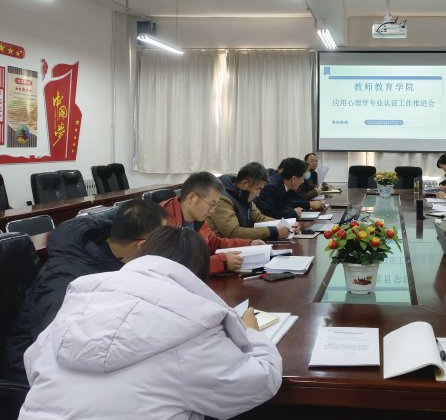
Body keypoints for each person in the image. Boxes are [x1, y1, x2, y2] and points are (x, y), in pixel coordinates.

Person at [19, 226, 282, 419]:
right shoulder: (191, 326)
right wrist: (250, 333)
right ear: (198, 275)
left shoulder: (82, 300)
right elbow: (260, 381)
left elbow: (33, 362)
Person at [2, 200, 167, 385]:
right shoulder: (65, 277)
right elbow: (60, 345)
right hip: (30, 370)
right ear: (142, 245)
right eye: (162, 241)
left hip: (79, 351)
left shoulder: (111, 252)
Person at [161, 172, 265, 275]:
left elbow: (214, 243)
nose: (212, 211)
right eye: (211, 204)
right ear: (192, 198)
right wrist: (221, 262)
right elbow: (175, 266)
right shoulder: (163, 221)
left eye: (215, 205)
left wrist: (249, 244)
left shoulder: (197, 219)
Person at [208, 162, 300, 241]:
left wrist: (287, 225)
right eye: (258, 189)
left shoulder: (244, 194)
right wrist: (273, 231)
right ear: (245, 184)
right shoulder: (222, 198)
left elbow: (259, 217)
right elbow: (234, 232)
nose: (258, 194)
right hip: (224, 248)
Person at [255, 157, 325, 219]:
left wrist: (310, 204)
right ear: (293, 178)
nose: (303, 182)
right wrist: (293, 213)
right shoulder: (271, 187)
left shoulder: (287, 183)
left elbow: (293, 200)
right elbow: (269, 213)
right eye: (302, 178)